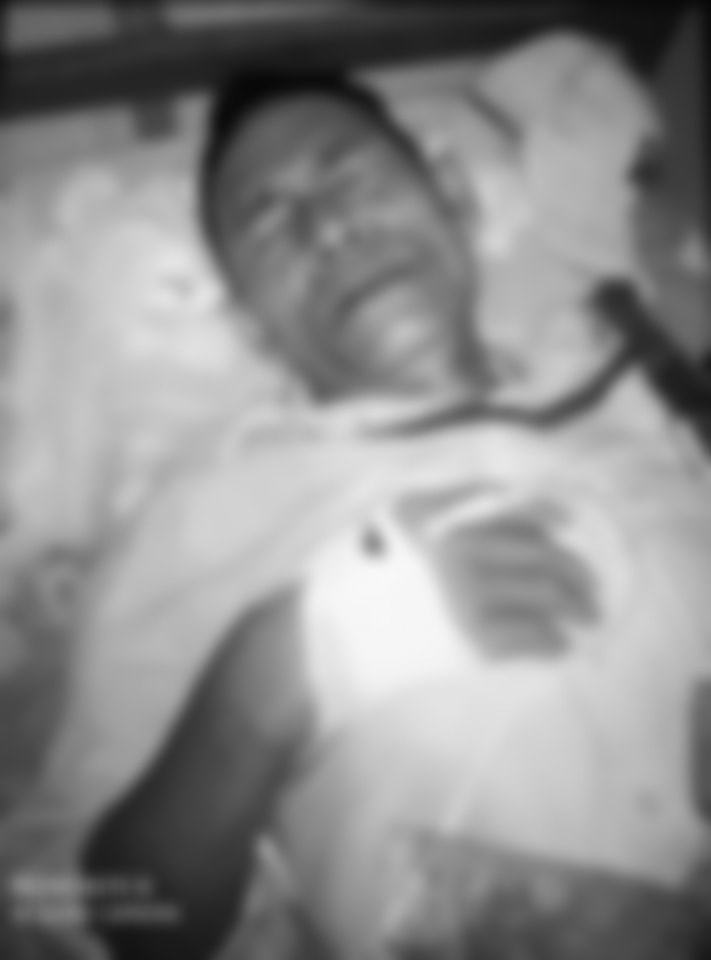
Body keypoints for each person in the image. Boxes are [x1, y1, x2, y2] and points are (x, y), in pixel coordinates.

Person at [72, 70, 711, 959]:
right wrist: (273, 679)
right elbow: (106, 912)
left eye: (348, 174)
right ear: (252, 325)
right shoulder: (200, 521)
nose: (327, 227)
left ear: (451, 194)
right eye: (268, 223)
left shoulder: (646, 391)